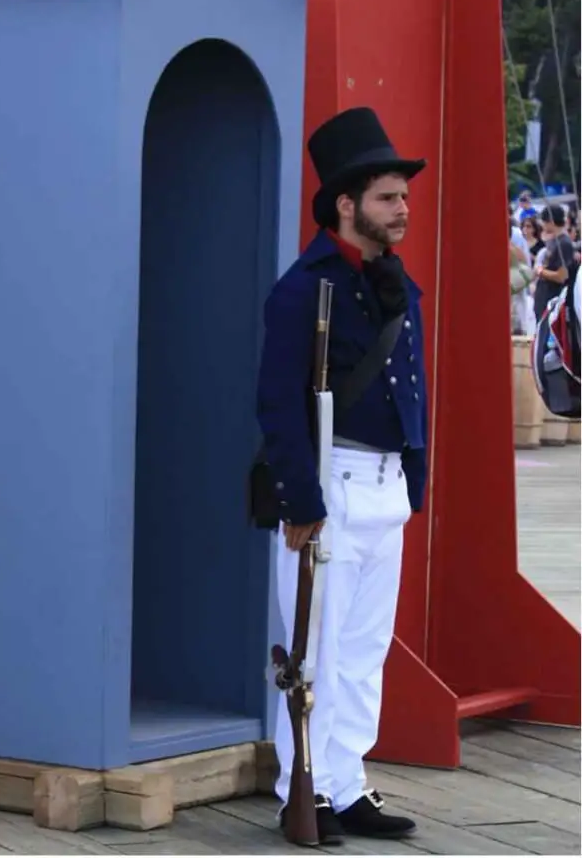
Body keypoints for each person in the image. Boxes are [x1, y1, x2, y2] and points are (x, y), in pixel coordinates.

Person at [257, 107, 427, 844]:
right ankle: (302, 789)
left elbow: (411, 387)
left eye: (404, 197)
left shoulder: (396, 286)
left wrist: (414, 484)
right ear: (347, 204)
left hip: (384, 489)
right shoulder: (304, 288)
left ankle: (347, 782)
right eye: (389, 198)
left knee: (362, 651)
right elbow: (275, 401)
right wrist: (300, 498)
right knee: (310, 654)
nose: (402, 209)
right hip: (327, 488)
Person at [534, 204, 576, 324]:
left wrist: (540, 271)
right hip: (544, 299)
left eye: (544, 221)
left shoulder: (564, 243)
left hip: (552, 301)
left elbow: (562, 276)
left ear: (551, 221)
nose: (543, 225)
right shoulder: (554, 240)